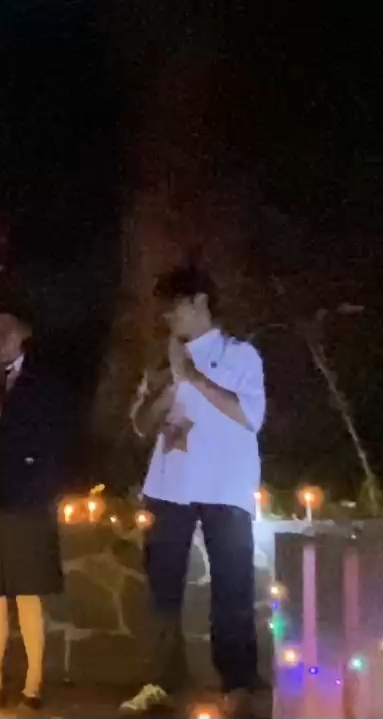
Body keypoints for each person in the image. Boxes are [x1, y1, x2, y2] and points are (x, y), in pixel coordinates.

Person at [120, 266, 266, 718]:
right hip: (168, 487)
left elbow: (251, 416)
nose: (168, 317)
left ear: (200, 301)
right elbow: (141, 426)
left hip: (226, 485)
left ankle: (238, 684)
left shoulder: (240, 355)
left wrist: (195, 378)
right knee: (162, 588)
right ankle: (160, 681)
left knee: (232, 586)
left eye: (174, 307)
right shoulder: (162, 364)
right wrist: (170, 388)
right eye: (163, 310)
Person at [0, 293, 71, 712]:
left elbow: (47, 436)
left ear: (24, 332)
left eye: (6, 327)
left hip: (27, 498)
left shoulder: (43, 382)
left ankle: (33, 683)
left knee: (27, 593)